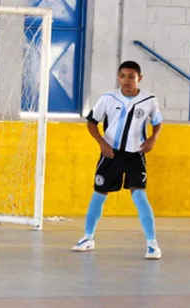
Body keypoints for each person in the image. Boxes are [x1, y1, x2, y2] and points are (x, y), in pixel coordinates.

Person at [71, 60, 163, 260]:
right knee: (99, 194)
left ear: (140, 78)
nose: (126, 80)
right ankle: (88, 238)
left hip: (135, 155)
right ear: (118, 77)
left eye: (131, 76)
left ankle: (152, 244)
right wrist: (102, 144)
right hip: (111, 155)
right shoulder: (108, 98)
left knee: (139, 196)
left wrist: (152, 139)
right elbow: (92, 123)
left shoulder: (149, 100)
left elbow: (157, 123)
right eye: (122, 76)